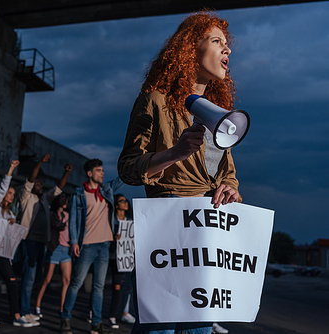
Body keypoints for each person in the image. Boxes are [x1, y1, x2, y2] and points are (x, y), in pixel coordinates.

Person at [117, 11, 240, 334]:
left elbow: (227, 173)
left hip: (206, 235)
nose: (227, 51)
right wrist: (174, 153)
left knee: (198, 330)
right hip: (167, 231)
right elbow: (128, 169)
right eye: (217, 42)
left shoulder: (221, 115)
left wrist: (229, 188)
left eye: (227, 45)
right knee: (158, 328)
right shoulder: (154, 101)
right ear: (189, 48)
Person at [60, 158, 124, 334]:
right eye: (98, 170)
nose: (102, 173)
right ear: (89, 173)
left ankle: (96, 323)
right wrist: (74, 241)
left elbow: (122, 178)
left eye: (103, 170)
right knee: (76, 283)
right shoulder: (79, 194)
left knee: (99, 287)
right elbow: (73, 220)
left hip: (104, 246)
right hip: (87, 245)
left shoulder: (107, 190)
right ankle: (65, 317)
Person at [19, 154, 73, 326]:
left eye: (41, 184)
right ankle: (24, 312)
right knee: (28, 278)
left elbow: (58, 188)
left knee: (35, 279)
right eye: (38, 184)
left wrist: (66, 173)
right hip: (29, 241)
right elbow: (31, 179)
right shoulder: (26, 197)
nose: (40, 185)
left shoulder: (44, 200)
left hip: (42, 243)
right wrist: (40, 162)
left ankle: (27, 309)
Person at [0, 160, 33, 328]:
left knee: (12, 281)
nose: (11, 195)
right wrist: (11, 169)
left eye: (12, 193)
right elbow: (3, 187)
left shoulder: (11, 213)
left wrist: (13, 223)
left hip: (3, 251)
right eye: (9, 193)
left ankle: (16, 315)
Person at [35, 193, 72, 317]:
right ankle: (37, 305)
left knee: (67, 280)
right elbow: (57, 227)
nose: (66, 202)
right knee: (47, 279)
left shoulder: (67, 215)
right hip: (54, 249)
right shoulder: (52, 215)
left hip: (66, 249)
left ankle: (62, 308)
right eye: (64, 200)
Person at [107, 194, 135, 329]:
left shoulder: (130, 221)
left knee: (129, 286)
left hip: (128, 258)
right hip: (114, 257)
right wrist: (113, 237)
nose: (125, 203)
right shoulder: (112, 221)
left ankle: (125, 312)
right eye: (121, 201)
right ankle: (113, 315)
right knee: (117, 287)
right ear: (116, 205)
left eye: (126, 200)